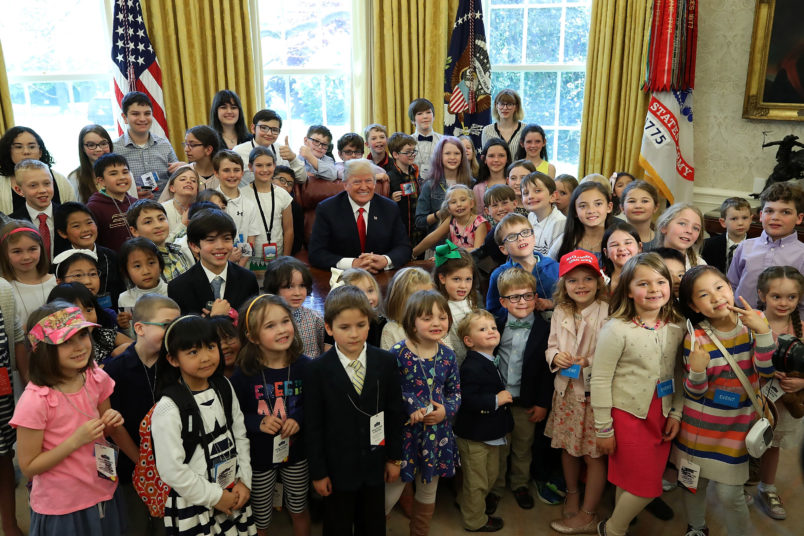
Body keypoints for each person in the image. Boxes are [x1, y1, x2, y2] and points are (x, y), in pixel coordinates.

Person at [672, 265, 775, 536]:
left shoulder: (754, 323)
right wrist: (696, 369)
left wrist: (764, 333)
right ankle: (696, 528)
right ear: (693, 306)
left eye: (720, 287)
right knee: (692, 485)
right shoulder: (695, 338)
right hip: (697, 432)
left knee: (731, 496)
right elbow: (694, 393)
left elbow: (766, 372)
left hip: (736, 431)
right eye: (703, 295)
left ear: (731, 287)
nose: (716, 297)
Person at [10, 302, 127, 534]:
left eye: (82, 335)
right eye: (65, 341)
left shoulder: (95, 377)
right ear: (42, 349)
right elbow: (29, 466)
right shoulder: (36, 400)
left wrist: (110, 422)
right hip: (62, 505)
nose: (79, 347)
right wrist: (75, 441)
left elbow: (104, 433)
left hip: (103, 488)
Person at [590, 253, 684, 536]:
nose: (654, 289)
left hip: (661, 412)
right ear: (628, 291)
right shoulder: (616, 329)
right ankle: (612, 530)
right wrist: (603, 428)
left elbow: (679, 374)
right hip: (627, 415)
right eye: (643, 283)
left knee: (631, 482)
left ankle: (618, 528)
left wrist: (676, 412)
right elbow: (601, 379)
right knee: (647, 485)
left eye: (660, 281)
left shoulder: (677, 326)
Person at [304, 285, 404, 535]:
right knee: (337, 524)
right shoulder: (317, 370)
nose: (354, 334)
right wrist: (318, 473)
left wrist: (394, 458)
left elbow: (394, 413)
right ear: (329, 328)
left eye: (361, 325)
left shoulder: (386, 361)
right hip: (337, 469)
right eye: (344, 327)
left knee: (372, 524)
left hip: (374, 463)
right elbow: (313, 426)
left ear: (369, 323)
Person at [151, 315, 255, 535]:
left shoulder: (224, 386)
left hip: (233, 491)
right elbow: (172, 470)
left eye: (210, 347)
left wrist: (244, 480)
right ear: (173, 359)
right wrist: (216, 497)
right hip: (195, 502)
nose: (206, 357)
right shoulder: (168, 409)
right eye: (193, 352)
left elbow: (240, 434)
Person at [230, 294, 312, 536]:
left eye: (285, 321)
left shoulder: (305, 367)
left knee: (299, 508)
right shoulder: (243, 374)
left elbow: (314, 404)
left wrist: (298, 418)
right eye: (270, 325)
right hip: (258, 458)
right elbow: (233, 416)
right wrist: (257, 422)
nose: (282, 330)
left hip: (296, 454)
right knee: (260, 516)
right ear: (252, 336)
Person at [385, 290, 461, 535]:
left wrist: (445, 412)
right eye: (427, 318)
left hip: (437, 435)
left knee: (429, 489)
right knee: (391, 490)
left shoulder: (448, 356)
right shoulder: (397, 354)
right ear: (411, 322)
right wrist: (409, 408)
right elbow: (387, 395)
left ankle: (420, 531)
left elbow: (455, 393)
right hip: (404, 437)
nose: (436, 323)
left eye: (442, 317)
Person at [103, 293, 180, 536]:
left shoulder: (174, 364)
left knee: (168, 523)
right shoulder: (117, 369)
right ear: (140, 328)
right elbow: (114, 426)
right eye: (167, 326)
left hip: (172, 460)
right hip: (131, 463)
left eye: (177, 326)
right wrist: (142, 462)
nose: (173, 333)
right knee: (135, 522)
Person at [544, 251, 609, 534]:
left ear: (598, 281)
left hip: (594, 395)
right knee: (567, 448)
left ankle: (588, 512)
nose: (580, 285)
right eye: (573, 280)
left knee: (593, 455)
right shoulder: (561, 311)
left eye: (587, 279)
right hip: (566, 392)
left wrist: (588, 362)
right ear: (564, 284)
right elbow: (552, 345)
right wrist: (556, 356)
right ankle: (572, 492)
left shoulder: (608, 312)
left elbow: (613, 355)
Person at [490, 268, 553, 510]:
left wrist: (542, 403)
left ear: (536, 298)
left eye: (528, 296)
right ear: (503, 301)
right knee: (499, 447)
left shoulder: (545, 329)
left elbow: (548, 373)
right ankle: (495, 488)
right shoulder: (494, 326)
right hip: (500, 400)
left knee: (523, 446)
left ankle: (520, 484)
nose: (522, 302)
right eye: (515, 297)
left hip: (527, 401)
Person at [453, 309, 512, 532]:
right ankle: (474, 520)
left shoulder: (489, 360)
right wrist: (495, 400)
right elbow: (467, 399)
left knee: (489, 476)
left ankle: (466, 502)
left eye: (493, 328)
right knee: (477, 481)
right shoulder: (471, 366)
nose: (491, 331)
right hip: (474, 435)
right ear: (469, 341)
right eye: (483, 329)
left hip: (490, 432)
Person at [755, 266, 804, 521]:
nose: (784, 303)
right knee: (743, 445)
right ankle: (739, 485)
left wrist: (801, 384)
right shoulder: (751, 322)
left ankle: (767, 487)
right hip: (750, 400)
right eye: (777, 296)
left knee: (771, 446)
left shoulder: (801, 328)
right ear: (762, 295)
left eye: (792, 297)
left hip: (782, 406)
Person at [308, 159, 412, 272]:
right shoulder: (327, 209)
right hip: (343, 278)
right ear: (345, 185)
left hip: (380, 275)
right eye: (357, 182)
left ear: (374, 183)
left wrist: (385, 260)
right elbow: (316, 253)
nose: (363, 187)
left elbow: (404, 247)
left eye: (368, 181)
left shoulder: (389, 208)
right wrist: (352, 263)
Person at [728, 182, 804, 313]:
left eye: (785, 212)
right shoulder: (745, 247)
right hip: (740, 320)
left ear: (799, 218)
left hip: (784, 326)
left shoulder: (802, 254)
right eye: (769, 211)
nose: (775, 217)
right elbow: (731, 285)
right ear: (761, 215)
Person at [167, 208, 259, 315]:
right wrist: (213, 319)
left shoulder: (247, 279)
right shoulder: (179, 287)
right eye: (211, 240)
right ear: (194, 246)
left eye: (226, 239)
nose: (220, 246)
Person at [485, 213, 559, 317]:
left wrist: (551, 303)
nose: (520, 238)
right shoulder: (499, 275)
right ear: (503, 249)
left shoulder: (555, 268)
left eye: (525, 232)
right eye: (511, 236)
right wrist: (515, 308)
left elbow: (568, 300)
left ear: (533, 237)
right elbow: (493, 312)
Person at [54, 201, 123, 310]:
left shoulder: (111, 257)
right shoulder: (60, 263)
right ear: (62, 233)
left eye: (89, 223)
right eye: (76, 226)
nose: (85, 230)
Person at [47, 282, 132, 365]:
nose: (85, 318)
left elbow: (138, 347)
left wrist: (127, 349)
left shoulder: (105, 335)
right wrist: (111, 362)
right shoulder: (56, 351)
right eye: (75, 313)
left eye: (89, 310)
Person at [113, 91, 180, 196]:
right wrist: (131, 197)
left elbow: (178, 177)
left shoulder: (164, 145)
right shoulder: (114, 149)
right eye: (135, 114)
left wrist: (185, 168)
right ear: (125, 117)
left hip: (166, 206)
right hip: (131, 208)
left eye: (147, 113)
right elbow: (109, 187)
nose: (142, 119)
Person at [0, 126, 76, 215]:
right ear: (9, 152)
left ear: (40, 152)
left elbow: (74, 214)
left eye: (31, 147)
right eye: (19, 147)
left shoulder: (59, 180)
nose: (26, 152)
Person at [263, 256, 325, 358]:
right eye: (289, 286)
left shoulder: (315, 319)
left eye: (302, 285)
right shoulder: (265, 321)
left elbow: (324, 353)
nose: (297, 293)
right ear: (274, 288)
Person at [0, 276, 24, 536]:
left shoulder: (2, 290)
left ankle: (9, 521)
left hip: (0, 394)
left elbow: (15, 336)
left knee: (4, 456)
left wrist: (31, 388)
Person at [9, 159, 70, 259]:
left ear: (53, 184)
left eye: (46, 183)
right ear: (19, 190)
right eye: (33, 185)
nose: (42, 190)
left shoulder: (69, 216)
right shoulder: (11, 223)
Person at [0, 222, 56, 329]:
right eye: (17, 251)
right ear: (4, 254)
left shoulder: (55, 283)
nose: (26, 257)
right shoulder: (4, 289)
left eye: (32, 249)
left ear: (41, 248)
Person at [414, 137, 474, 238]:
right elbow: (419, 221)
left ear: (462, 156)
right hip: (437, 247)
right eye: (447, 153)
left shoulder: (471, 183)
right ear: (439, 156)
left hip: (466, 245)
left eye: (457, 153)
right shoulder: (429, 185)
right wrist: (439, 214)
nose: (452, 157)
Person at [432, 242, 480, 365]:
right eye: (456, 279)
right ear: (442, 278)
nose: (463, 286)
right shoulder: (439, 307)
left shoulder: (471, 300)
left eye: (468, 279)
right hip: (455, 365)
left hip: (475, 362)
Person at [241, 147, 294, 258]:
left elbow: (288, 230)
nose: (265, 170)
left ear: (274, 166)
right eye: (259, 165)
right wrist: (243, 260)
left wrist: (285, 258)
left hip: (277, 257)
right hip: (249, 258)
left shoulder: (283, 195)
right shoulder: (242, 195)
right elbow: (241, 231)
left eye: (269, 165)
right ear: (250, 167)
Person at [233, 109, 306, 185]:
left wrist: (293, 159)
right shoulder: (239, 152)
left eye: (274, 130)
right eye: (264, 128)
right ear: (253, 128)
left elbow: (302, 179)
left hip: (278, 195)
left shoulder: (282, 150)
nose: (269, 133)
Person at [412, 184, 488, 256]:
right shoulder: (452, 220)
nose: (459, 204)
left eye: (463, 200)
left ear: (472, 203)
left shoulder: (479, 223)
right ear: (449, 209)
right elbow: (433, 238)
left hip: (475, 264)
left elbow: (478, 250)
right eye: (453, 202)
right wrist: (413, 254)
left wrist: (448, 254)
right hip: (458, 262)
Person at [127, 200, 193, 281]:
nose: (157, 225)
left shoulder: (178, 252)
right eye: (148, 222)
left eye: (161, 219)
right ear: (134, 231)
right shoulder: (137, 263)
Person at [86, 153, 137, 251]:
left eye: (125, 172)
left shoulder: (136, 202)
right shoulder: (94, 207)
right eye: (114, 174)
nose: (122, 177)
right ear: (101, 181)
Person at [556, 181, 614, 264]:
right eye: (583, 206)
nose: (591, 210)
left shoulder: (616, 239)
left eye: (598, 204)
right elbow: (548, 266)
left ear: (609, 207)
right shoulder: (567, 239)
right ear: (575, 211)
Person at [213, 151, 260, 248]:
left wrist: (241, 263)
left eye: (236, 170)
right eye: (226, 170)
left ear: (242, 172)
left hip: (242, 261)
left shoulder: (249, 205)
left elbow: (251, 240)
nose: (232, 175)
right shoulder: (209, 202)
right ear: (216, 173)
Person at [380, 267, 434, 351]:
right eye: (420, 300)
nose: (427, 304)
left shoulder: (436, 323)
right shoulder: (391, 330)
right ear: (400, 302)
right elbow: (388, 362)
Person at [331, 268, 386, 348]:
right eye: (359, 293)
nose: (368, 297)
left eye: (370, 291)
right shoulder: (337, 324)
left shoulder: (380, 322)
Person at [701, 197, 752, 274]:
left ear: (751, 219)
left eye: (745, 218)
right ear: (723, 222)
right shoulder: (708, 245)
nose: (740, 223)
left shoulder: (756, 246)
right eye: (734, 219)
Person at [522, 171, 566, 259]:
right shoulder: (531, 216)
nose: (530, 196)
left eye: (537, 191)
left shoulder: (560, 222)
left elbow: (553, 258)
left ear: (553, 196)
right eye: (526, 193)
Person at [387, 132, 421, 244]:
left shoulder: (415, 172)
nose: (412, 155)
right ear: (395, 155)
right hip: (402, 229)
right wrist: (391, 199)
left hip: (418, 228)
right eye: (407, 152)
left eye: (413, 151)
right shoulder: (390, 176)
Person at [117, 237, 169, 310]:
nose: (146, 271)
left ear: (160, 265)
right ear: (126, 271)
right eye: (137, 266)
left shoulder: (171, 291)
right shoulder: (124, 299)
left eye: (151, 263)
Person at [69, 125, 113, 203]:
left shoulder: (124, 172)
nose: (99, 149)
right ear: (83, 149)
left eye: (103, 144)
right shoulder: (74, 178)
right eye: (91, 145)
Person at [655, 203, 706, 269]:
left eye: (696, 228)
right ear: (664, 227)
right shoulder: (647, 262)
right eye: (682, 223)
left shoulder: (700, 265)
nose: (689, 231)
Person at [481, 89, 525, 158]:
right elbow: (486, 159)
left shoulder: (525, 130)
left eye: (509, 104)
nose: (505, 108)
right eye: (501, 104)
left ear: (516, 107)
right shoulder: (487, 131)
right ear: (496, 106)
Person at [473, 138, 512, 217]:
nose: (496, 160)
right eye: (491, 156)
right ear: (484, 159)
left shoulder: (514, 183)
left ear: (507, 158)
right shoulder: (478, 188)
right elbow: (478, 218)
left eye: (501, 155)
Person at [161, 165, 200, 242]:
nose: (189, 181)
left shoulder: (200, 210)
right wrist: (183, 224)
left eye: (193, 180)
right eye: (183, 179)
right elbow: (163, 244)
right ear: (172, 188)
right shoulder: (162, 210)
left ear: (197, 190)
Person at [272, 165, 304, 255]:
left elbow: (297, 240)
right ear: (271, 179)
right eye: (282, 180)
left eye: (290, 184)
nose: (286, 185)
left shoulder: (295, 208)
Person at [601, 221, 643, 291]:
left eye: (628, 243)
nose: (621, 248)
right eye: (614, 245)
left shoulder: (649, 274)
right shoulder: (599, 277)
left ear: (639, 247)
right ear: (606, 252)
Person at [620, 180, 661, 251]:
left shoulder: (664, 241)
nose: (638, 206)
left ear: (655, 207)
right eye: (632, 201)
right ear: (622, 208)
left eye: (645, 201)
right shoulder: (613, 238)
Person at [409, 98, 443, 182]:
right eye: (420, 114)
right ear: (413, 120)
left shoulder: (444, 141)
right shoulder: (406, 142)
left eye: (428, 112)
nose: (425, 116)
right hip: (413, 186)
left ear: (434, 116)